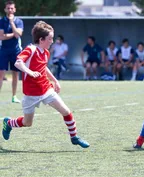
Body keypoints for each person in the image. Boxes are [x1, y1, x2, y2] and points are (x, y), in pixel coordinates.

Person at [2, 21, 89, 149]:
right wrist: (30, 72)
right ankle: (9, 123)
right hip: (31, 94)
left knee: (66, 111)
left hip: (46, 89)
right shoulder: (30, 49)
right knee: (27, 123)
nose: (52, 41)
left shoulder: (46, 52)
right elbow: (18, 63)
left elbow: (44, 68)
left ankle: (74, 137)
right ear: (41, 39)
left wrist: (55, 80)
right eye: (50, 39)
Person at [0, 0, 23, 103]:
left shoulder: (19, 21)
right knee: (1, 73)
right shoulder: (1, 21)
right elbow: (1, 36)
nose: (10, 10)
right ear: (5, 9)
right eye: (8, 8)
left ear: (15, 9)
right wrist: (14, 34)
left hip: (16, 51)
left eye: (12, 8)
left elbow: (18, 34)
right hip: (4, 51)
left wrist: (11, 23)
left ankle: (14, 96)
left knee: (15, 74)